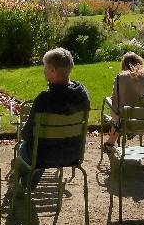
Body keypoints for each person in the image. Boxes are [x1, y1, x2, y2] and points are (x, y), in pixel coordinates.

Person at [18, 47, 90, 182]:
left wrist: (21, 134)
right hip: (73, 154)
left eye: (45, 67)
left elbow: (27, 135)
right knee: (40, 145)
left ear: (53, 71)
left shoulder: (44, 100)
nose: (43, 70)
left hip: (44, 156)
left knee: (23, 149)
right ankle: (26, 183)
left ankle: (23, 186)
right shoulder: (82, 94)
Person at [105, 51, 144, 148]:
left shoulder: (120, 77)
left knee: (115, 108)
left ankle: (111, 141)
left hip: (127, 123)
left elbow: (115, 102)